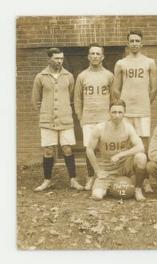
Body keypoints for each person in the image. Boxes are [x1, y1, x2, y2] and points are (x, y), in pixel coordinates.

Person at [32, 48, 84, 192]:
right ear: (49, 59)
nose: (59, 61)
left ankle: (73, 180)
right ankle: (47, 180)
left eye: (61, 58)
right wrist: (44, 113)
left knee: (67, 148)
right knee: (48, 151)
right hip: (47, 120)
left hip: (65, 119)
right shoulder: (40, 77)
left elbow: (71, 95)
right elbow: (36, 100)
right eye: (56, 58)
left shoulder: (68, 76)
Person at [112, 30, 157, 193]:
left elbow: (154, 89)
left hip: (143, 110)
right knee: (125, 142)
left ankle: (144, 180)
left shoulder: (150, 62)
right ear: (127, 43)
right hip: (126, 111)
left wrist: (144, 102)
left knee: (143, 145)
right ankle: (125, 175)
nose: (134, 43)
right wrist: (124, 107)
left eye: (137, 41)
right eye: (131, 41)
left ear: (142, 43)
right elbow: (116, 89)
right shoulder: (121, 63)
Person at [86, 99, 147, 201]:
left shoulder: (128, 128)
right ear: (109, 113)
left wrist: (120, 154)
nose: (117, 115)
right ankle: (113, 186)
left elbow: (140, 147)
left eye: (120, 112)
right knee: (97, 196)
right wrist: (97, 170)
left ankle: (138, 189)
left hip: (125, 167)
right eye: (114, 112)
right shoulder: (100, 128)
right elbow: (89, 150)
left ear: (124, 113)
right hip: (108, 169)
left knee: (141, 157)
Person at [74, 43, 113, 191]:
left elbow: (114, 98)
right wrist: (80, 116)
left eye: (98, 54)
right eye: (92, 54)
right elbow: (77, 98)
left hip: (104, 119)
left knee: (105, 149)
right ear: (88, 57)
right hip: (88, 118)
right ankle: (90, 177)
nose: (95, 56)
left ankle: (105, 176)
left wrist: (111, 118)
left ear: (102, 57)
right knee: (89, 149)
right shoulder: (82, 76)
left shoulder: (109, 75)